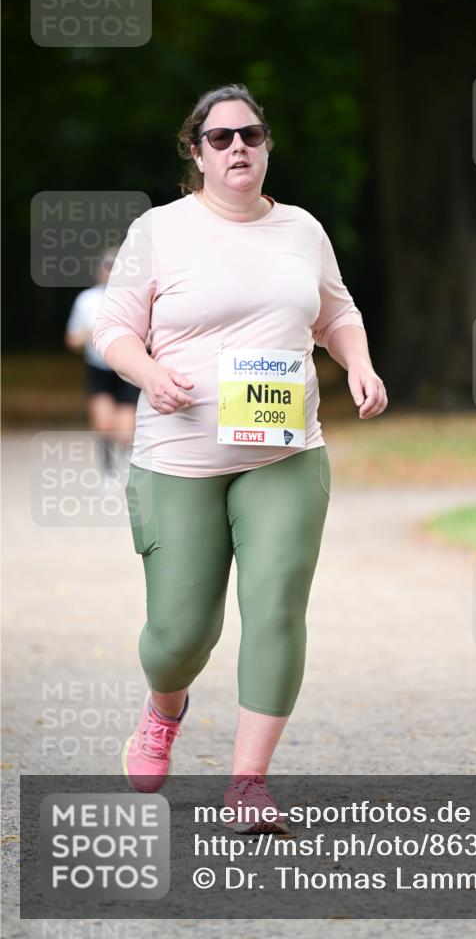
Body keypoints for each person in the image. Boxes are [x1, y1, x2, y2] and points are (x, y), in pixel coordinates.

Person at [92, 82, 388, 830]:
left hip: (284, 454)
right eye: (220, 138)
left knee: (276, 606)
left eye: (250, 136)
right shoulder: (159, 230)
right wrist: (150, 373)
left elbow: (336, 311)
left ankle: (248, 784)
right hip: (178, 455)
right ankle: (165, 706)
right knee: (179, 634)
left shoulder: (301, 230)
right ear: (196, 152)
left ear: (266, 146)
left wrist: (357, 361)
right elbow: (114, 330)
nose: (237, 149)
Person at [64, 246, 140, 482]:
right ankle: (108, 470)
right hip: (98, 368)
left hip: (127, 368)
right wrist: (88, 335)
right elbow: (71, 339)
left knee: (126, 428)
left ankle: (130, 460)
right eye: (106, 265)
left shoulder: (134, 296)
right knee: (104, 423)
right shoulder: (86, 300)